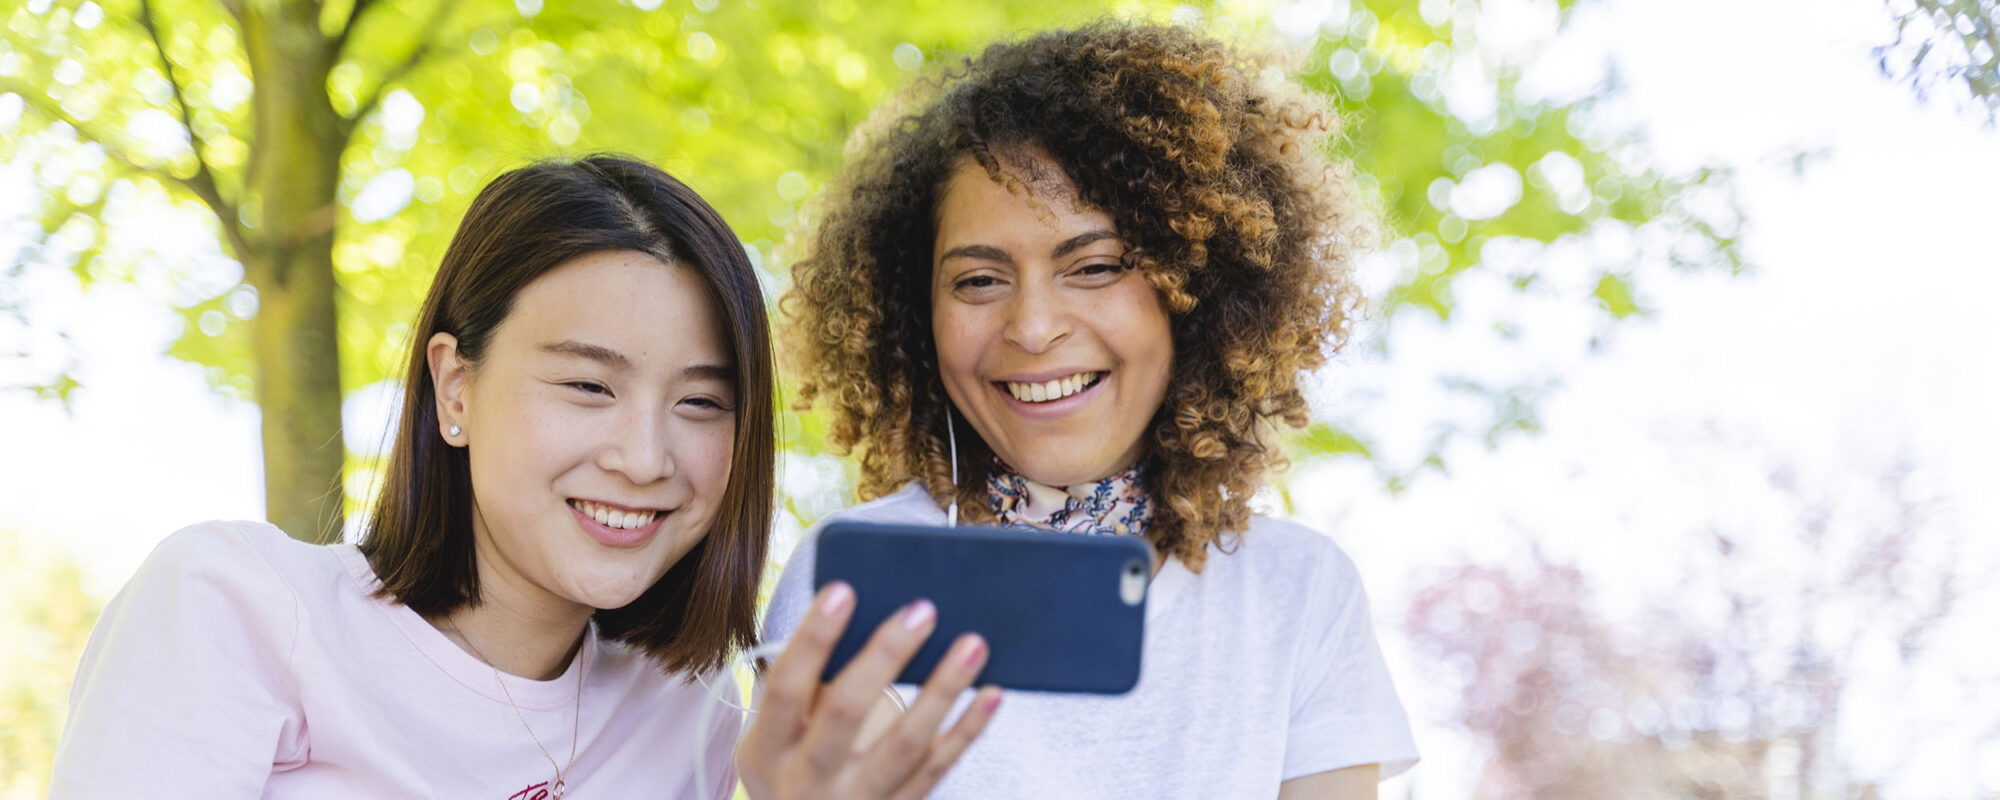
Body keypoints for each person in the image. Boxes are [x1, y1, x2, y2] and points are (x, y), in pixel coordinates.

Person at [49, 155, 997, 798]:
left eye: (701, 403)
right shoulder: (233, 606)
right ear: (455, 387)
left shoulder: (687, 713)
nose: (644, 457)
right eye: (588, 384)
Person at [766, 22, 1421, 798]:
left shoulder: (1298, 593)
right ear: (916, 315)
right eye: (978, 281)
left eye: (1097, 266)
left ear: (1199, 295)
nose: (1034, 327)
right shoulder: (861, 579)